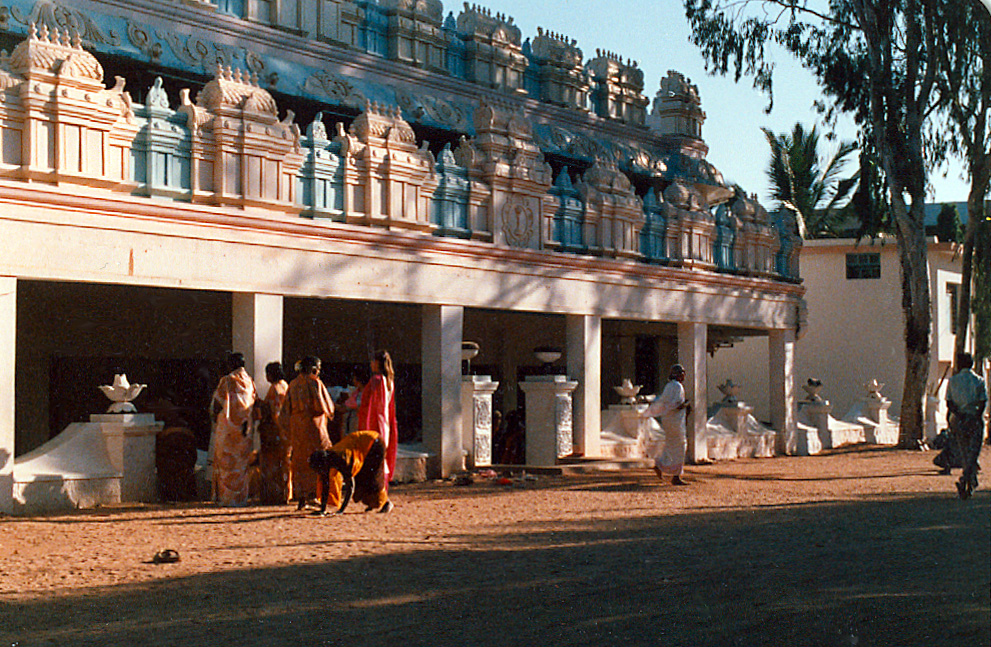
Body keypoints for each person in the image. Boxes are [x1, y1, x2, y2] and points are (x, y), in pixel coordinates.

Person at [282, 356, 336, 510]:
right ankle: (313, 494)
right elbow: (322, 406)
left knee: (300, 461)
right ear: (313, 369)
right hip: (313, 427)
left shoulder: (292, 384)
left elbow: (286, 409)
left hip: (297, 427)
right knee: (317, 459)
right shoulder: (314, 383)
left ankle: (301, 497)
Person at [210, 352, 258, 506]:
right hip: (245, 429)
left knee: (226, 463)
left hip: (228, 429)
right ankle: (240, 498)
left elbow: (218, 404)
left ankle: (227, 498)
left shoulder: (227, 380)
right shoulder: (250, 381)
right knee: (241, 463)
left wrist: (213, 416)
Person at [307, 430, 393, 515]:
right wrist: (322, 509)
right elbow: (326, 485)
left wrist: (341, 510)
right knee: (363, 478)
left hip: (374, 443)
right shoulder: (326, 462)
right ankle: (371, 503)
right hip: (359, 444)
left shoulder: (342, 460)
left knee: (373, 478)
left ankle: (386, 503)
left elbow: (350, 487)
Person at [641, 364, 691, 486]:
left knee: (670, 446)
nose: (684, 376)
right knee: (680, 446)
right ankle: (676, 476)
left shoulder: (669, 386)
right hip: (676, 422)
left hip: (668, 421)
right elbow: (676, 405)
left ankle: (660, 465)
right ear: (678, 374)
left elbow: (664, 402)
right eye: (682, 373)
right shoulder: (678, 387)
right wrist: (686, 404)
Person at [946, 353, 987, 499]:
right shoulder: (979, 380)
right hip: (974, 419)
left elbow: (949, 403)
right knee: (973, 452)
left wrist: (959, 416)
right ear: (971, 364)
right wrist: (975, 417)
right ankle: (967, 480)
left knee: (964, 452)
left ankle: (968, 481)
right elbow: (983, 402)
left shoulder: (952, 381)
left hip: (959, 419)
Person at [359, 350, 398, 486]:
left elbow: (375, 407)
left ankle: (380, 496)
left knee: (375, 462)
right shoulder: (389, 381)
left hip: (376, 425)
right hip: (385, 426)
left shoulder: (377, 380)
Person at [257, 361, 291, 505]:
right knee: (285, 464)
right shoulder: (286, 386)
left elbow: (277, 414)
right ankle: (286, 493)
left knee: (274, 465)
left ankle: (276, 496)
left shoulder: (276, 389)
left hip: (276, 433)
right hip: (286, 433)